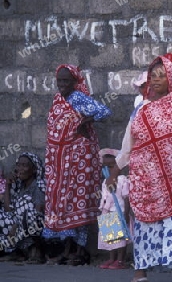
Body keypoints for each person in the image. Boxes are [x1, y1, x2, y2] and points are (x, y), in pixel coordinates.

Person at [106, 55, 172, 282]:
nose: (155, 80)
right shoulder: (142, 112)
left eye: (162, 75)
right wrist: (115, 172)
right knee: (144, 226)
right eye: (153, 76)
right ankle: (140, 271)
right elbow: (128, 146)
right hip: (148, 183)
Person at [43, 64, 112, 266]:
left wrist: (85, 121)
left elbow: (105, 111)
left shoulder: (79, 99)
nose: (63, 84)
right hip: (59, 161)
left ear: (75, 82)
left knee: (78, 201)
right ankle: (68, 248)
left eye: (66, 81)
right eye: (60, 81)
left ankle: (82, 251)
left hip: (78, 160)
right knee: (64, 203)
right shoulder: (58, 99)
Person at [0, 152, 46, 263]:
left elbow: (39, 211)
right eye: (19, 165)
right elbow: (8, 210)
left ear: (34, 169)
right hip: (20, 227)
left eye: (24, 165)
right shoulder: (19, 185)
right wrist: (7, 184)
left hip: (38, 225)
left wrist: (16, 225)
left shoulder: (39, 185)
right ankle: (16, 252)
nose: (20, 169)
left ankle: (35, 251)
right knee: (2, 216)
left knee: (24, 201)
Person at [97, 148, 131, 270]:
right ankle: (112, 258)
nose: (104, 159)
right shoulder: (105, 179)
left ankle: (121, 260)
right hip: (107, 211)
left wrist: (126, 213)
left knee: (121, 238)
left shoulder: (122, 179)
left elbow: (126, 198)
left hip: (119, 211)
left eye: (107, 157)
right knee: (110, 237)